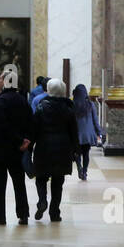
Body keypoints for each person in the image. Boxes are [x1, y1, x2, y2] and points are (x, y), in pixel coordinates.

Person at [0, 66, 32, 225]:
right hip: (17, 150)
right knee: (19, 183)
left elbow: (3, 126)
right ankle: (23, 214)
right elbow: (30, 122)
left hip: (2, 148)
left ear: (6, 82)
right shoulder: (22, 99)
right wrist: (25, 141)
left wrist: (18, 140)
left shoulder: (0, 101)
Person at [30, 79, 77, 221]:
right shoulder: (68, 109)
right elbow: (74, 132)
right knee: (58, 181)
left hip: (44, 147)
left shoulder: (41, 107)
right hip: (63, 148)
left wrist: (29, 147)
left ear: (48, 90)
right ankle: (54, 212)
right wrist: (76, 150)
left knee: (41, 178)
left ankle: (42, 201)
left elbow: (34, 129)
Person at [72, 83, 104, 182]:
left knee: (77, 153)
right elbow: (95, 120)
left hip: (76, 133)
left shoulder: (73, 104)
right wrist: (99, 133)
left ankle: (79, 167)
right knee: (86, 154)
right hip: (88, 134)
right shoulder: (90, 104)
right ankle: (85, 172)